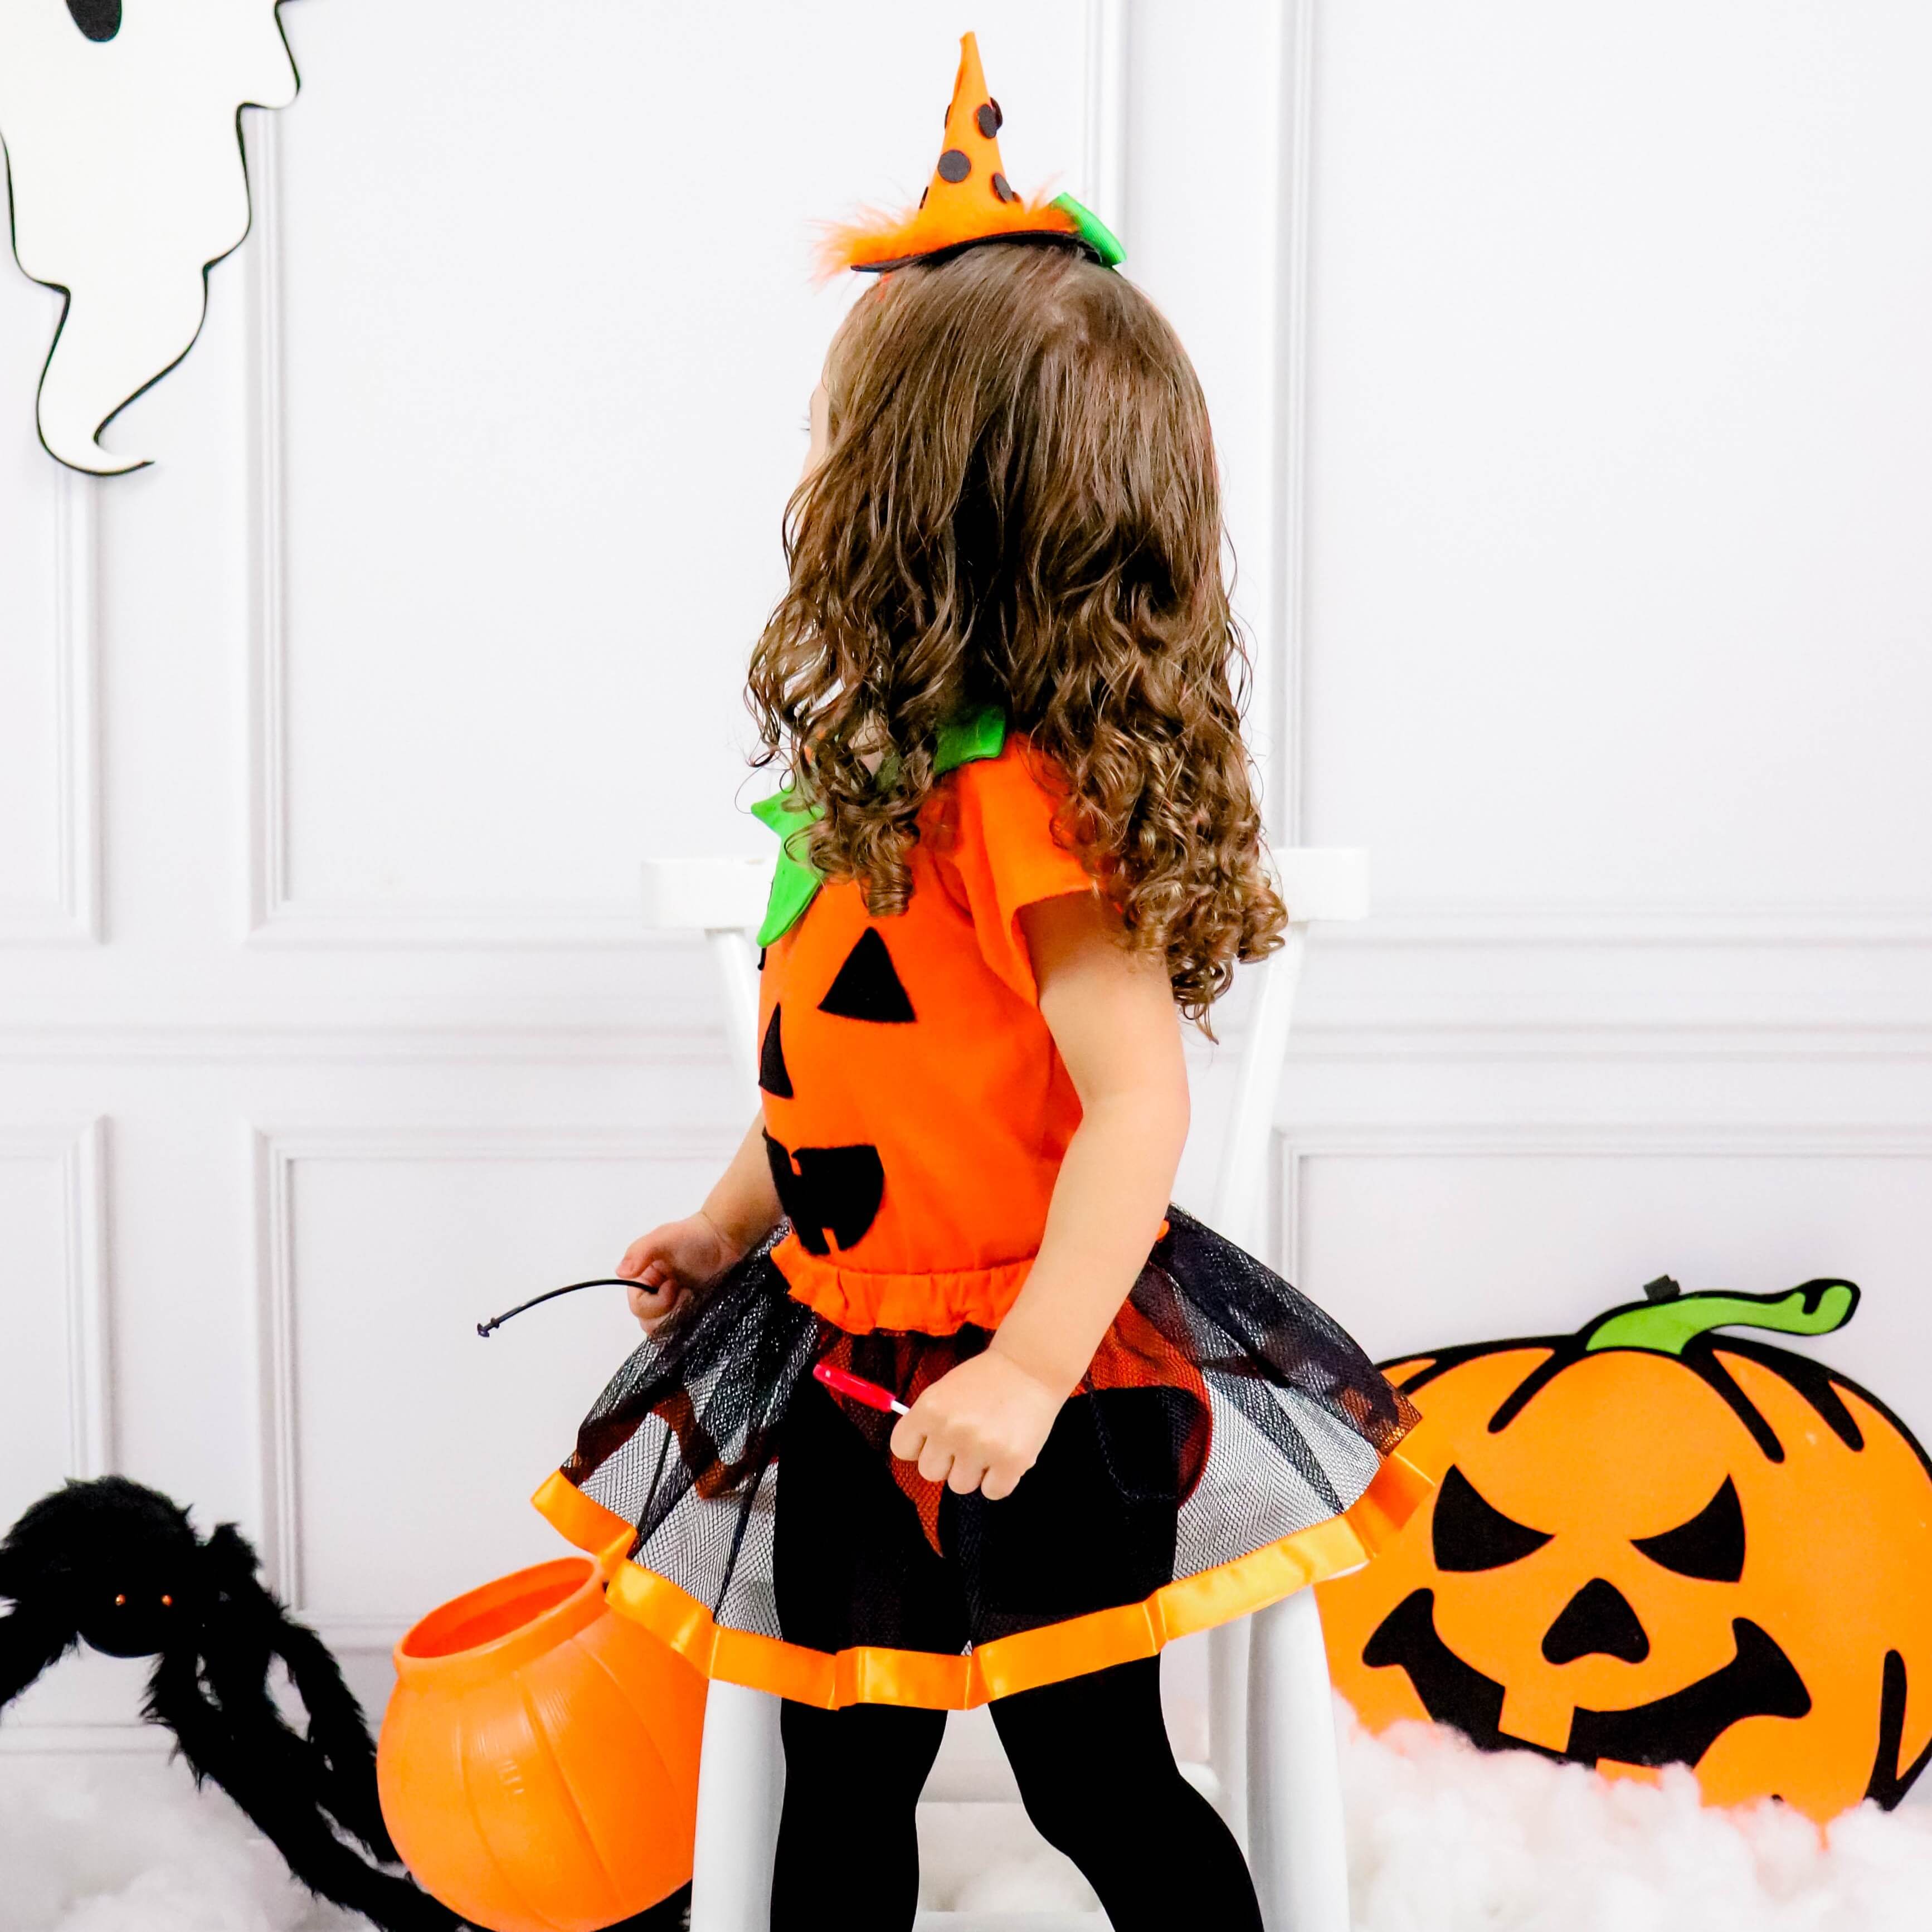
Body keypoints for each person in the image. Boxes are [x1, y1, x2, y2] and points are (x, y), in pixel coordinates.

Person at [533, 35, 1429, 1932]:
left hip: (1034, 1361)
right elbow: (849, 1086)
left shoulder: (1025, 802)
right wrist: (721, 1219)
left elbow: (1138, 1106)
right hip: (835, 1344)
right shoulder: (885, 783)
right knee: (838, 1765)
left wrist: (1026, 1367)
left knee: (1091, 1768)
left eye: (848, 451)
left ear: (933, 506)